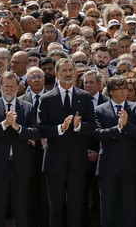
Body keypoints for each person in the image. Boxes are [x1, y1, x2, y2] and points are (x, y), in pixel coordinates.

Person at [37, 58, 95, 227]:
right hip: (54, 161)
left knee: (76, 206)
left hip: (77, 160)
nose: (68, 73)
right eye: (64, 70)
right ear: (56, 74)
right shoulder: (47, 98)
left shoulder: (84, 97)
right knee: (55, 206)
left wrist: (79, 126)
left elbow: (92, 125)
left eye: (70, 70)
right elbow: (41, 127)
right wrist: (60, 128)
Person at [0, 71, 40, 227]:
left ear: (18, 88)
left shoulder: (27, 107)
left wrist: (17, 127)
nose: (9, 90)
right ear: (0, 87)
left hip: (20, 165)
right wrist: (5, 124)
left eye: (12, 87)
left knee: (21, 209)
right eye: (5, 86)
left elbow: (35, 133)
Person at [94, 75, 136, 227]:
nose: (124, 92)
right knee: (106, 207)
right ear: (110, 92)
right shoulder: (100, 110)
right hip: (107, 165)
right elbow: (97, 134)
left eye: (125, 89)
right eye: (119, 89)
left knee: (130, 206)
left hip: (130, 164)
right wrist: (118, 128)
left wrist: (126, 124)